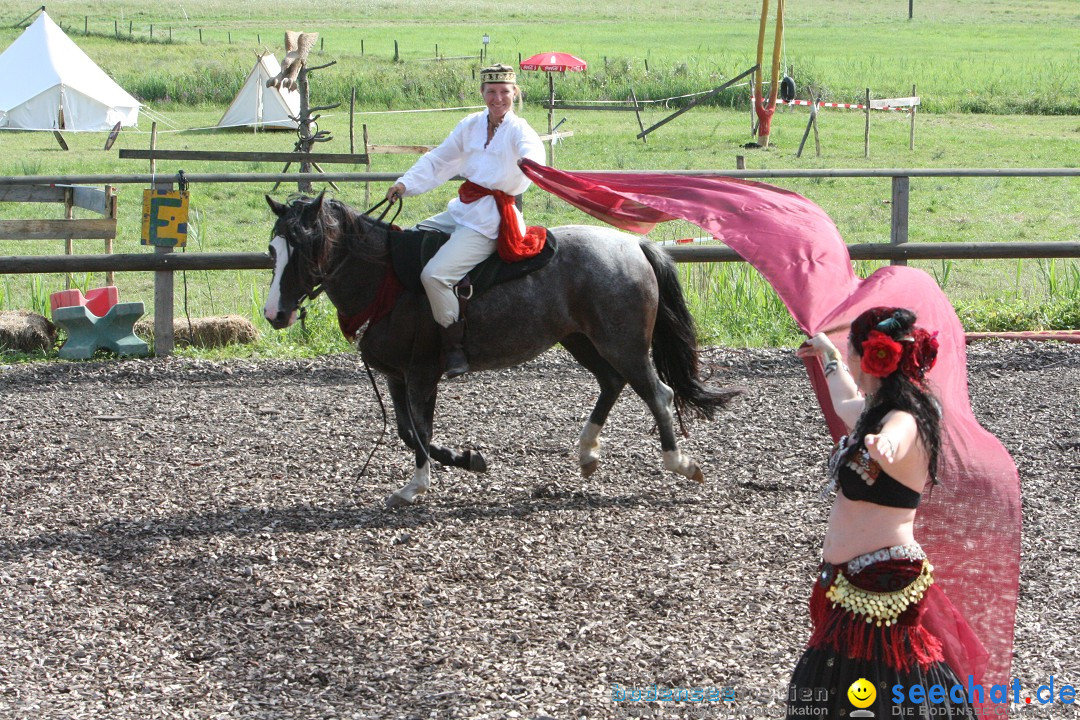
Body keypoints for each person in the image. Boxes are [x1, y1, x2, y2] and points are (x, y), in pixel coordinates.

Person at [787, 307, 983, 718]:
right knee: (849, 682)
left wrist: (886, 447)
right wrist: (827, 353)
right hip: (848, 579)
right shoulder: (872, 414)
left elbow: (899, 433)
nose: (851, 364)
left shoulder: (904, 419)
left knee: (875, 682)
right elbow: (843, 399)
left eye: (850, 353)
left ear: (872, 358)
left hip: (880, 580)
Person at [385, 63, 546, 378]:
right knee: (409, 240)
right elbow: (439, 159)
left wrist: (531, 165)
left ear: (515, 93)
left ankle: (453, 348)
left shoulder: (519, 130)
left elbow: (533, 154)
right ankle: (413, 326)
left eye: (504, 92)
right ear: (482, 93)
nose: (498, 98)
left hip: (490, 220)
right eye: (491, 92)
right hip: (464, 208)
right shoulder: (470, 125)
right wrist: (406, 184)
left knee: (434, 275)